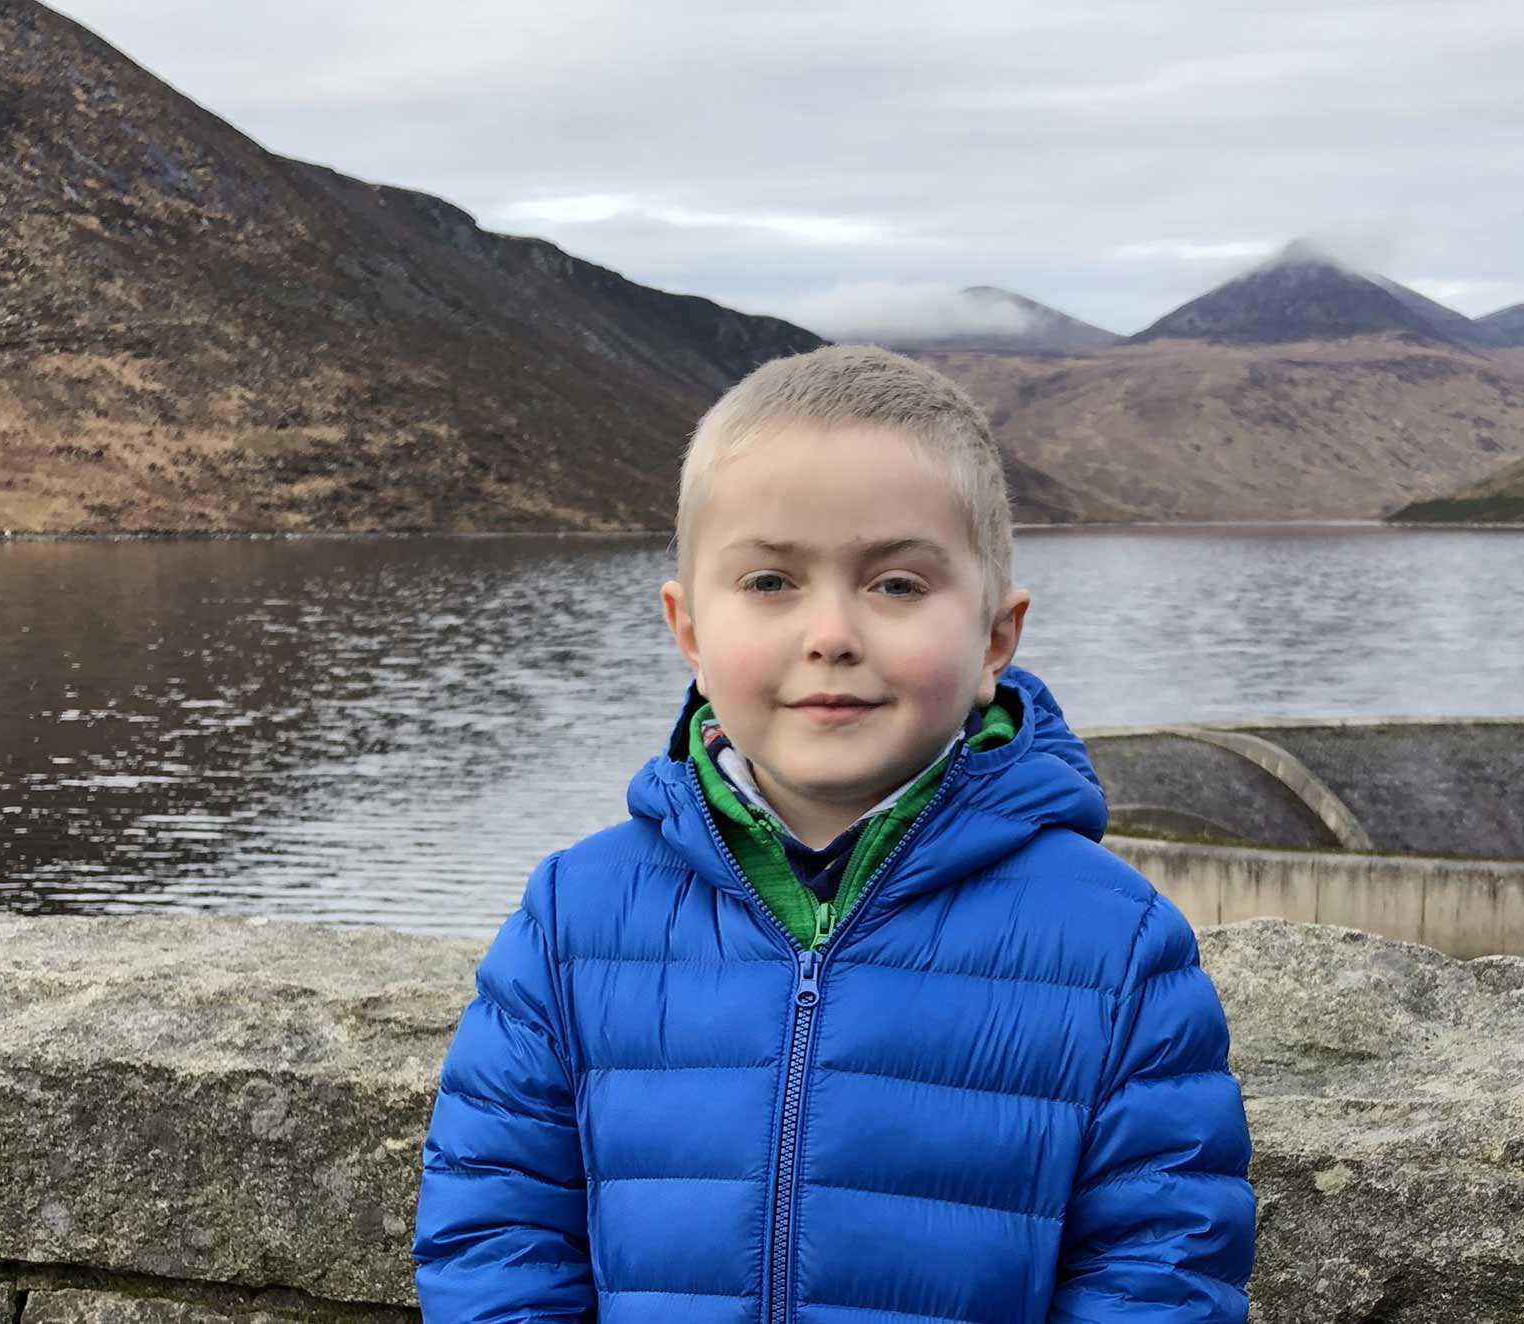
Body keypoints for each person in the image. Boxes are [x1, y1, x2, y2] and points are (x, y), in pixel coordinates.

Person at [412, 345, 1255, 1323]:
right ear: (688, 630)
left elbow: (1160, 1277)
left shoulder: (1115, 944)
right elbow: (494, 1242)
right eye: (769, 581)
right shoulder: (573, 919)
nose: (831, 632)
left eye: (895, 584)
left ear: (993, 638)